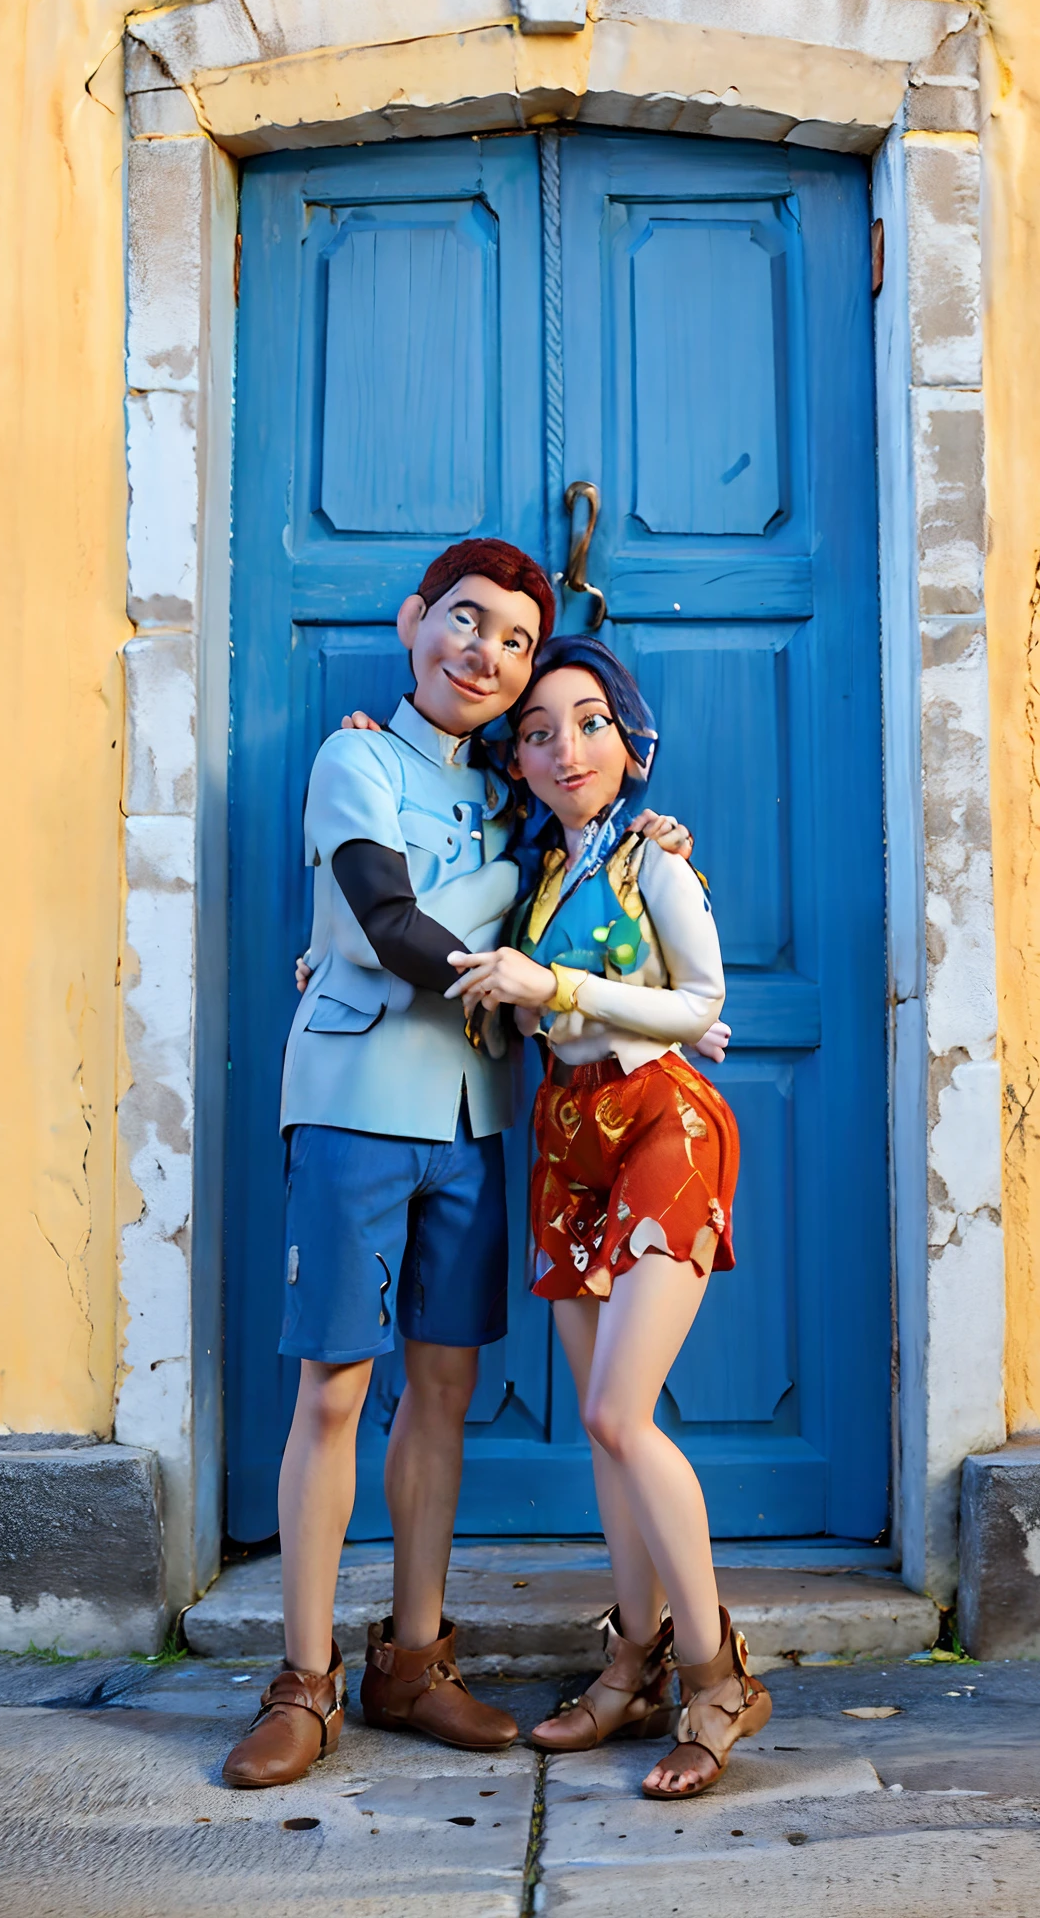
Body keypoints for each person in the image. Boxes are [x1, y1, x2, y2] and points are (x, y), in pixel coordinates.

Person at [221, 544, 713, 1791]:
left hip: (481, 1118)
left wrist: (619, 843)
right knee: (333, 1388)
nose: (482, 652)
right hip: (353, 1103)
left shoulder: (522, 802)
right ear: (412, 622)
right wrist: (551, 870)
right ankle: (304, 1676)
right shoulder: (356, 759)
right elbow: (388, 923)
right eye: (462, 621)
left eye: (510, 639)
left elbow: (584, 910)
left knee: (439, 1393)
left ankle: (414, 1660)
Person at [446, 634, 772, 1801]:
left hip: (659, 1130)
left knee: (617, 1410)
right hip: (563, 1139)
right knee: (600, 1426)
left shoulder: (652, 862)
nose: (563, 745)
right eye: (537, 731)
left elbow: (700, 1002)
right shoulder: (537, 875)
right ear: (516, 762)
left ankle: (713, 1670)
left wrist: (559, 988)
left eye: (587, 722)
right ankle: (630, 1658)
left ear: (629, 744)